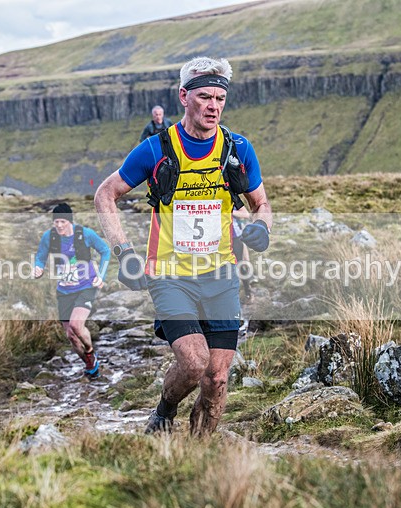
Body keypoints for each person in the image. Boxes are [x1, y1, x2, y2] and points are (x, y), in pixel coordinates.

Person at [95, 57, 273, 436]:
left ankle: (199, 460)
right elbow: (105, 194)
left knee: (217, 379)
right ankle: (164, 409)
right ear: (183, 96)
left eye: (220, 98)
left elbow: (262, 204)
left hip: (222, 275)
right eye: (205, 96)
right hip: (169, 275)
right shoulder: (155, 148)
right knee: (194, 365)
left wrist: (261, 228)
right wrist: (123, 252)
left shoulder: (238, 149)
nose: (213, 106)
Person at [33, 203, 111, 379]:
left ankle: (90, 353)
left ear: (70, 221)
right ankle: (90, 365)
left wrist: (101, 276)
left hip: (86, 286)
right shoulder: (49, 237)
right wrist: (37, 268)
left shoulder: (85, 234)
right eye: (56, 222)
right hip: (64, 290)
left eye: (62, 222)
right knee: (71, 336)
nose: (59, 225)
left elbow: (105, 251)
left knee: (76, 325)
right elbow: (40, 257)